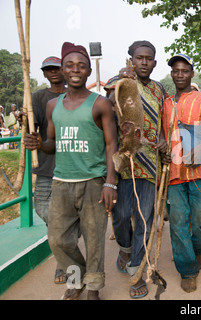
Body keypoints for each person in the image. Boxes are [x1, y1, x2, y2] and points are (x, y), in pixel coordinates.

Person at [23, 42, 118, 300]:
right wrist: (39, 144)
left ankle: (93, 288)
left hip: (94, 182)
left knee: (94, 239)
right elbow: (52, 144)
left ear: (88, 72)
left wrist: (111, 182)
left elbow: (112, 144)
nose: (76, 70)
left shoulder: (100, 104)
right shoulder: (53, 106)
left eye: (81, 66)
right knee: (58, 240)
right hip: (61, 182)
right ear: (63, 71)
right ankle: (78, 278)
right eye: (70, 65)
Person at [104, 40, 168, 299]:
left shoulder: (159, 89)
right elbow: (108, 107)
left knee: (145, 219)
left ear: (154, 62)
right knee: (120, 216)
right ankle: (124, 246)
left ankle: (137, 272)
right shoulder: (118, 81)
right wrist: (122, 81)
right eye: (139, 57)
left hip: (151, 162)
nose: (144, 62)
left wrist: (163, 138)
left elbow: (162, 118)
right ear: (131, 59)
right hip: (124, 161)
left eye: (149, 58)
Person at [161, 53, 201, 293]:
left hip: (199, 173)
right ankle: (187, 270)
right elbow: (161, 135)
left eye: (184, 70)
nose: (180, 74)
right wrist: (163, 146)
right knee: (178, 223)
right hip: (173, 175)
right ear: (172, 74)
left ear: (192, 73)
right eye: (176, 71)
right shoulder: (165, 104)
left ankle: (200, 250)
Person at [30, 56, 67, 283]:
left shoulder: (72, 96)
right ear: (44, 74)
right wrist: (27, 125)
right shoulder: (38, 98)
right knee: (44, 210)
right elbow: (33, 126)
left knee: (67, 215)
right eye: (48, 69)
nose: (53, 72)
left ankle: (63, 264)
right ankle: (64, 239)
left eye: (56, 68)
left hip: (68, 166)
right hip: (45, 165)